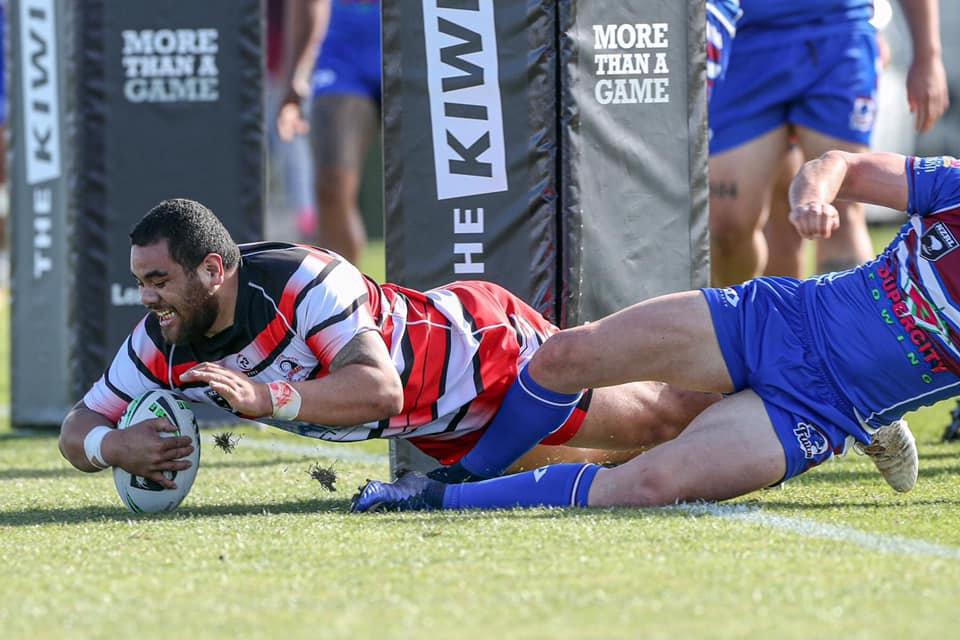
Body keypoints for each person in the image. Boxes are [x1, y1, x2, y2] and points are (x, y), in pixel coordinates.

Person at [351, 149, 949, 513]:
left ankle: (436, 497)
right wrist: (812, 197)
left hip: (822, 408)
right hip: (775, 318)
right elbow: (839, 164)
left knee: (649, 483)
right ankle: (470, 472)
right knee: (565, 356)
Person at [57, 199, 718, 488]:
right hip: (438, 428)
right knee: (608, 467)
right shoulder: (163, 339)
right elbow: (76, 427)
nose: (147, 298)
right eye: (140, 282)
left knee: (659, 418)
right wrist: (112, 444)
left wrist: (269, 397)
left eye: (158, 280)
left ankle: (776, 389)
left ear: (212, 269)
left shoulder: (302, 279)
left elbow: (380, 388)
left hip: (478, 354)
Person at [709, 0, 948, 286]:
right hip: (746, 39)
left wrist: (928, 56)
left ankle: (843, 330)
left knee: (838, 209)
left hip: (838, 34)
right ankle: (740, 323)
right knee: (728, 227)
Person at [275, 0, 380, 264]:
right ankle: (347, 297)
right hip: (341, 56)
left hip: (412, 36)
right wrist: (294, 78)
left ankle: (435, 294)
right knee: (331, 186)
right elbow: (304, 7)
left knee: (430, 179)